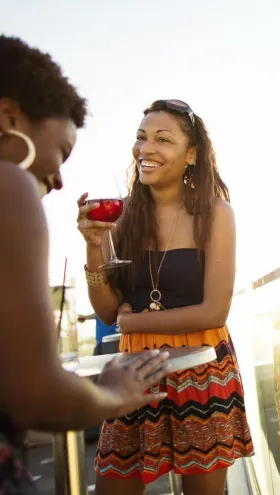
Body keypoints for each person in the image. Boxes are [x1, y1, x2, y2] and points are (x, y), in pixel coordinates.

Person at [0, 36, 173, 494]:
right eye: (62, 151)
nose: (58, 180)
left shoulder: (215, 216)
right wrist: (116, 393)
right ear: (7, 118)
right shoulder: (8, 187)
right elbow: (35, 394)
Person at [78, 99, 254, 494]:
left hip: (204, 369)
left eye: (163, 139)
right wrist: (94, 245)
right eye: (141, 138)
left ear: (191, 155)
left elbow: (214, 312)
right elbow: (106, 309)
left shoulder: (216, 214)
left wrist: (134, 321)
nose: (146, 149)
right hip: (133, 372)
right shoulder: (121, 217)